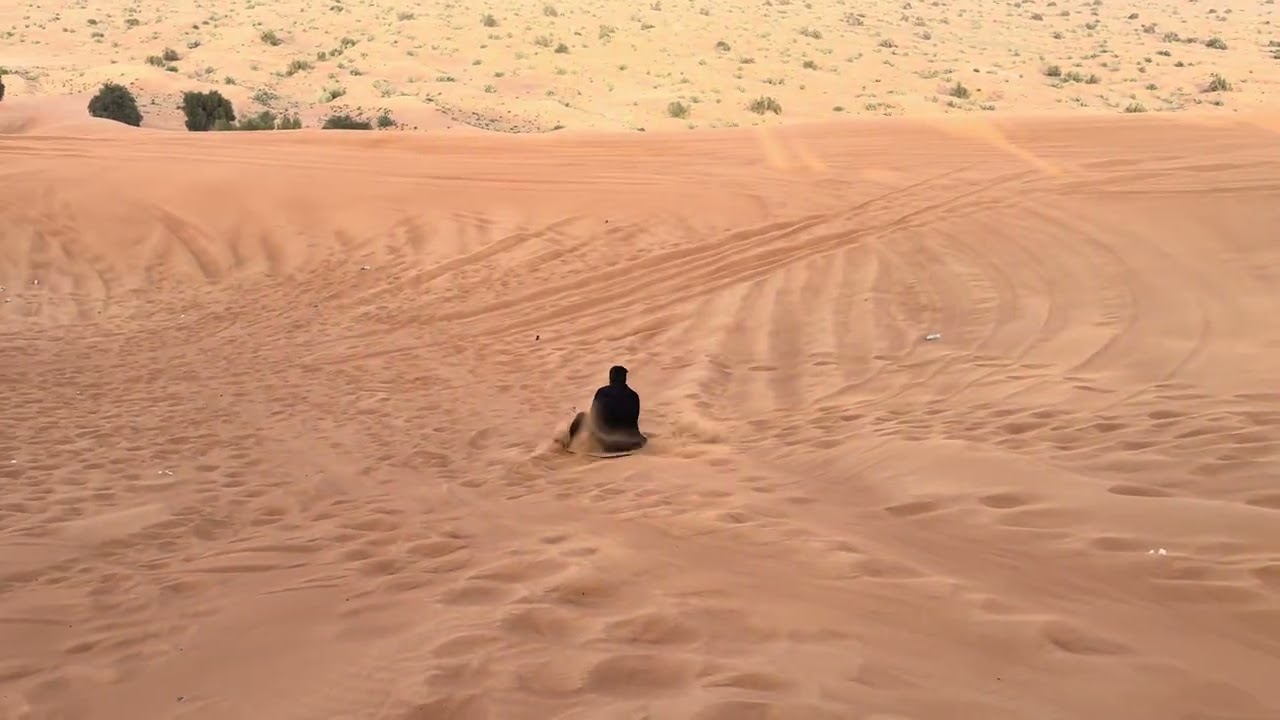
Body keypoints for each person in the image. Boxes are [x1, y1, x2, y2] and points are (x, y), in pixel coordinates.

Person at [564, 365, 647, 453]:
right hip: (630, 440)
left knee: (581, 416)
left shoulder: (603, 392)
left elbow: (593, 416)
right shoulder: (633, 396)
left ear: (611, 378)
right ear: (624, 379)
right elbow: (633, 421)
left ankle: (569, 446)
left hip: (607, 441)